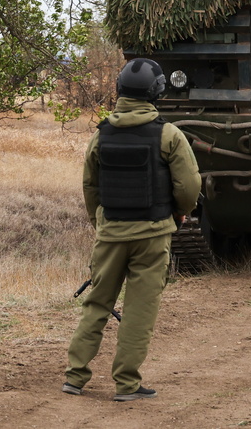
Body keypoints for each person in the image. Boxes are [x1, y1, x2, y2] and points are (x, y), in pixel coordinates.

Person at [63, 58, 201, 402]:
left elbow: (90, 186)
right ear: (157, 92)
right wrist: (180, 214)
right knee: (140, 310)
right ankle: (126, 384)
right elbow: (188, 186)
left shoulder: (101, 134)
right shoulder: (169, 134)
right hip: (152, 235)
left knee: (97, 304)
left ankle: (75, 377)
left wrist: (101, 223)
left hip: (110, 234)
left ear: (120, 90)